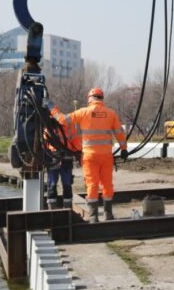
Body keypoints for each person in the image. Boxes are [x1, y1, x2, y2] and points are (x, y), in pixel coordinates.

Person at [49, 87, 128, 223]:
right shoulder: (111, 113)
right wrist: (124, 148)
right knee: (107, 184)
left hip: (90, 156)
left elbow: (62, 120)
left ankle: (93, 216)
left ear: (90, 99)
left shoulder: (83, 112)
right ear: (102, 98)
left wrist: (51, 108)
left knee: (92, 184)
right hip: (106, 156)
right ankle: (108, 214)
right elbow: (119, 132)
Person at [43, 107, 81, 210]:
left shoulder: (67, 127)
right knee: (53, 185)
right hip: (55, 159)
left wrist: (78, 153)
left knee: (64, 185)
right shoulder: (48, 128)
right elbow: (44, 144)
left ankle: (65, 208)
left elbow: (77, 143)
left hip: (62, 159)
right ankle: (54, 208)